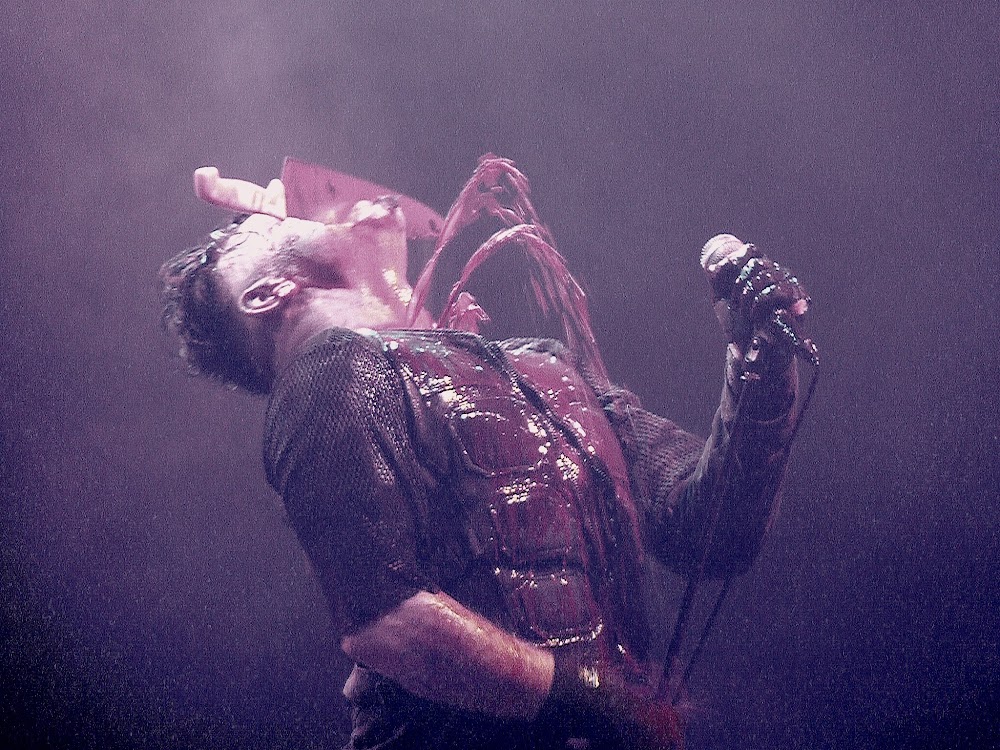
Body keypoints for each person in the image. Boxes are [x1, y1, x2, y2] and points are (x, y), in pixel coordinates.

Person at [160, 155, 809, 750]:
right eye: (269, 219)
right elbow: (386, 622)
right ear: (268, 292)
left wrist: (762, 363)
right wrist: (595, 703)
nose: (304, 196)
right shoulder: (333, 372)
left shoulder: (545, 369)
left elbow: (713, 533)